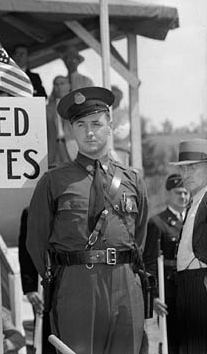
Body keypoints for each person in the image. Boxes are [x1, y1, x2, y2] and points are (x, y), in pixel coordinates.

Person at [26, 86, 148, 354]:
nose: (89, 131)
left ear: (110, 125)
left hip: (126, 284)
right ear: (71, 130)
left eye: (96, 123)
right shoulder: (53, 181)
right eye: (80, 125)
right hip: (76, 286)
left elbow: (140, 236)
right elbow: (36, 241)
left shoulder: (133, 180)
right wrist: (58, 280)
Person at [143, 173, 190, 354]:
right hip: (169, 291)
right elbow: (150, 262)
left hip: (192, 289)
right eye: (178, 192)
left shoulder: (194, 220)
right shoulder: (157, 222)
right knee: (171, 341)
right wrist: (153, 296)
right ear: (168, 194)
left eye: (186, 193)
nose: (183, 197)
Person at [169, 139, 207, 354]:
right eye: (183, 168)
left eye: (192, 166)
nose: (186, 173)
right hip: (187, 287)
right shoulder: (196, 200)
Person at [17, 207, 55, 354]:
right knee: (45, 333)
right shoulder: (32, 212)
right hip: (44, 285)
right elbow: (26, 250)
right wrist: (30, 287)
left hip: (72, 281)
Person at [45, 75, 75, 166]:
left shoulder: (76, 106)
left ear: (69, 86)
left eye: (62, 83)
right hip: (53, 147)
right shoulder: (47, 108)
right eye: (56, 84)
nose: (59, 87)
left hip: (72, 146)